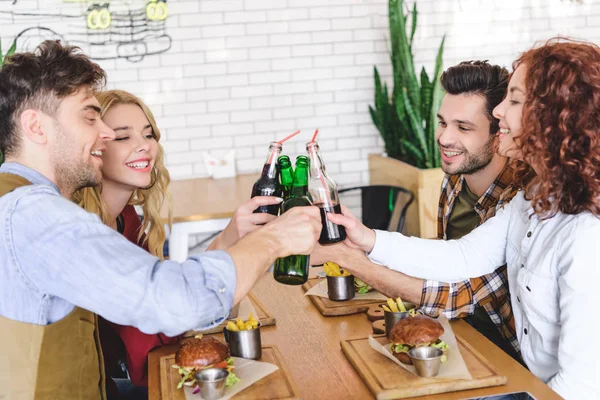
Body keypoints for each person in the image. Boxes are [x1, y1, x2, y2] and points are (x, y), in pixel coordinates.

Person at [0, 40, 321, 399]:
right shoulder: (39, 216)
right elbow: (175, 303)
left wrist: (236, 238)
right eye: (89, 117)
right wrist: (271, 240)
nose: (104, 133)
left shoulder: (23, 205)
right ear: (36, 127)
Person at [324, 39, 600, 399]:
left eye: (514, 101)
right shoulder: (532, 197)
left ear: (554, 119)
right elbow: (462, 256)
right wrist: (366, 238)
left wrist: (349, 258)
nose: (499, 111)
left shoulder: (586, 235)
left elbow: (582, 385)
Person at [317, 61, 522, 361]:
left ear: (498, 134)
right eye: (442, 122)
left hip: (507, 355)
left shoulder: (517, 198)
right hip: (456, 333)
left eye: (463, 127)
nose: (444, 138)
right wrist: (366, 239)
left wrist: (354, 260)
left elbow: (456, 295)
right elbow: (442, 258)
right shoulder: (454, 179)